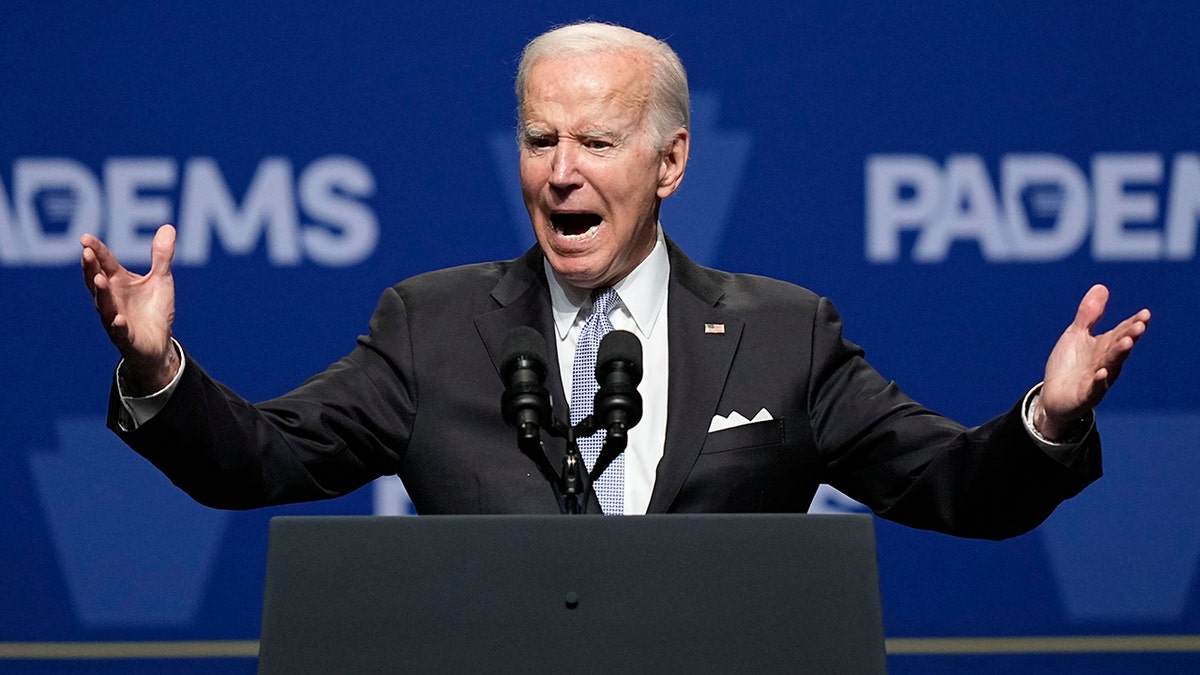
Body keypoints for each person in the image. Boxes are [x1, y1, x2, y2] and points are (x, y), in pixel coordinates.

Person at [80, 22, 1149, 536]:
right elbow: (262, 460)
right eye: (539, 138)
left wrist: (1048, 421)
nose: (560, 172)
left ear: (671, 162)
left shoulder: (787, 335)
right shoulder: (432, 326)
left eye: (596, 141)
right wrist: (159, 368)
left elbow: (956, 486)